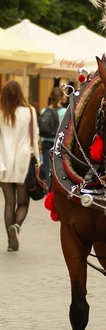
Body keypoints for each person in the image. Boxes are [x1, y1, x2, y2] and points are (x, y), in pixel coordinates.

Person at [0, 80, 40, 251]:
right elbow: (35, 138)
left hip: (3, 162)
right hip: (24, 162)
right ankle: (16, 226)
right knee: (23, 203)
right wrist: (38, 162)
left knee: (10, 202)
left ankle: (11, 242)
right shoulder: (30, 111)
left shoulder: (0, 113)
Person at [40, 87, 66, 191]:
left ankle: (47, 188)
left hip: (45, 140)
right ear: (61, 98)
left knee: (46, 165)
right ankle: (55, 189)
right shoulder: (64, 111)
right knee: (57, 166)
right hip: (58, 142)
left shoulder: (44, 110)